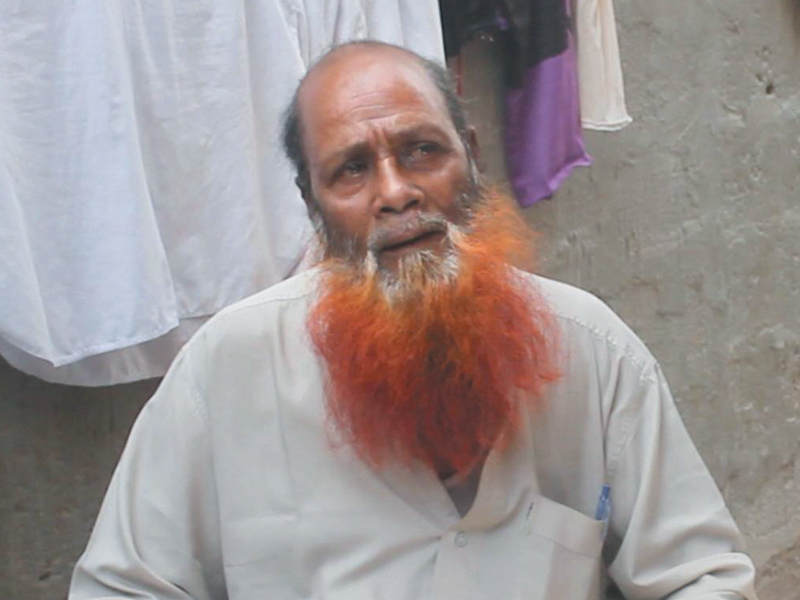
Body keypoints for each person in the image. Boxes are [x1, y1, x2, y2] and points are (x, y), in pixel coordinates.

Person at [69, 41, 759, 599]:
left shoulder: (593, 351)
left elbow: (700, 575)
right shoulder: (224, 371)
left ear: (473, 159)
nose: (396, 192)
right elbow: (125, 586)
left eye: (421, 151)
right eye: (352, 170)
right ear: (315, 210)